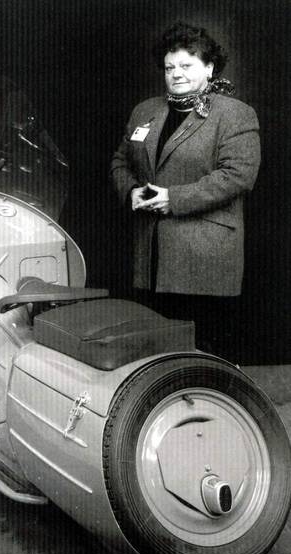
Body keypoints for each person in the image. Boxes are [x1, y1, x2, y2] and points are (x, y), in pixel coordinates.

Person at [110, 21, 261, 354]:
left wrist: (173, 199)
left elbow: (238, 175)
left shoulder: (235, 114)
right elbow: (120, 161)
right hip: (150, 255)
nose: (176, 74)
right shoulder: (145, 111)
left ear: (209, 68)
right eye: (169, 67)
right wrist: (131, 191)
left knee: (202, 353)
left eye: (186, 65)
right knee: (158, 352)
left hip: (204, 256)